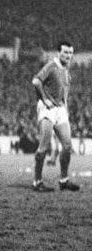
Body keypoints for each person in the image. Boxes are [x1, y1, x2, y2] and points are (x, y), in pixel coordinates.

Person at [31, 41, 80, 192]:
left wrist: (65, 108)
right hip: (48, 108)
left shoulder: (66, 70)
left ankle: (63, 180)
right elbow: (36, 81)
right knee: (44, 145)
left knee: (67, 146)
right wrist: (45, 99)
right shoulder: (51, 66)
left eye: (70, 53)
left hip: (60, 109)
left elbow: (64, 92)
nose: (68, 55)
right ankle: (37, 182)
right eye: (65, 52)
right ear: (59, 53)